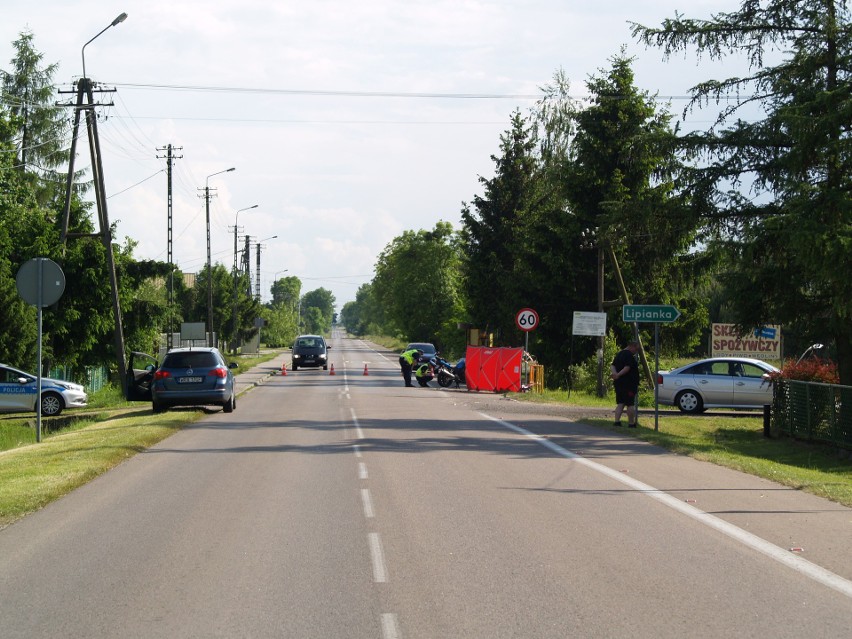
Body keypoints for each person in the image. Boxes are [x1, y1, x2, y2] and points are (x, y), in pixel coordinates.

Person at [611, 340, 640, 428]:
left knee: (621, 402)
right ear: (632, 346)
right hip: (628, 384)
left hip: (618, 383)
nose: (636, 351)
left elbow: (612, 365)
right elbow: (627, 367)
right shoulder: (629, 355)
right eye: (636, 349)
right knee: (630, 404)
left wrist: (615, 374)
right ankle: (631, 423)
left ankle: (617, 422)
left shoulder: (619, 354)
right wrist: (618, 374)